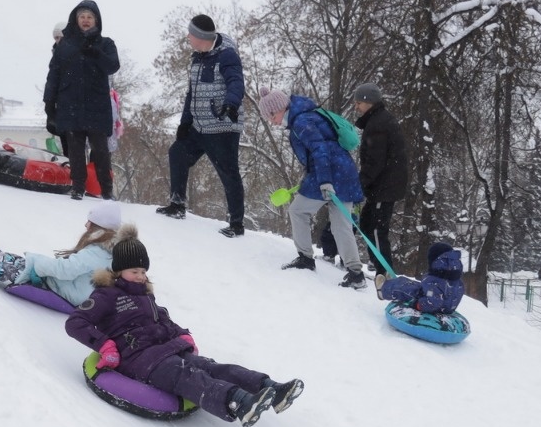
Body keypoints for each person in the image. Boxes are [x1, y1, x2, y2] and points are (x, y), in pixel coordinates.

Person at [64, 230, 304, 427]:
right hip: (139, 360)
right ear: (118, 271)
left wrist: (182, 335)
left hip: (166, 350)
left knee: (212, 367)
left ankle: (271, 388)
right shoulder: (106, 295)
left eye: (143, 271)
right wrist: (105, 345)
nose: (140, 276)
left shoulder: (146, 295)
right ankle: (238, 402)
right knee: (187, 376)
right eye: (134, 271)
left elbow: (163, 318)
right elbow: (75, 323)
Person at [258, 88, 367, 289]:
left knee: (298, 211)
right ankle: (356, 274)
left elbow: (320, 150)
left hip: (330, 174)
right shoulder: (305, 115)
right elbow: (320, 151)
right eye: (268, 117)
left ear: (281, 108)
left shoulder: (301, 121)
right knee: (341, 224)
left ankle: (306, 259)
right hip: (343, 172)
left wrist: (324, 181)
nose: (272, 121)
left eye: (272, 115)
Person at [157, 14, 247, 238]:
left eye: (190, 34)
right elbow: (192, 93)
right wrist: (185, 123)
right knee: (177, 152)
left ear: (200, 37)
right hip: (199, 125)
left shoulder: (226, 55)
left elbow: (236, 81)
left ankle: (236, 223)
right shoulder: (197, 58)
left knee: (229, 173)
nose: (187, 37)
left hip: (222, 126)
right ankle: (177, 204)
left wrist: (231, 103)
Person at [0, 201, 122, 306]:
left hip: (62, 290)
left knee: (4, 266)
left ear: (99, 225)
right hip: (66, 286)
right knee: (10, 259)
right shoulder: (106, 249)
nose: (85, 225)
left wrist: (37, 262)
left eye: (89, 221)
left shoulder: (97, 252)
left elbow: (66, 270)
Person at [44, 0, 120, 201]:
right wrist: (49, 103)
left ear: (96, 20)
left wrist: (97, 53)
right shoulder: (65, 45)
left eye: (90, 17)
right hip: (71, 105)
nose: (85, 20)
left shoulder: (106, 43)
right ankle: (78, 186)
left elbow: (113, 66)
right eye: (82, 17)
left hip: (97, 106)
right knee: (75, 149)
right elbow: (54, 74)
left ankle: (106, 189)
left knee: (100, 150)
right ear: (75, 20)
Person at [353, 83, 408, 275]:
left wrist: (359, 184)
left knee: (376, 229)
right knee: (367, 224)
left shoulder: (378, 124)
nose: (356, 107)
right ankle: (378, 264)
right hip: (382, 186)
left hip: (384, 187)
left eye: (359, 103)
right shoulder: (377, 121)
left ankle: (384, 272)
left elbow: (374, 162)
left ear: (369, 102)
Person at [377, 242, 464, 314]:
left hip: (431, 308)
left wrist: (417, 305)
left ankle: (382, 289)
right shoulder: (456, 280)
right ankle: (391, 282)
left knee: (405, 287)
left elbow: (432, 302)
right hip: (445, 307)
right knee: (414, 284)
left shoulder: (434, 282)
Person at [46, 21, 71, 159]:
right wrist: (49, 102)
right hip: (60, 104)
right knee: (65, 140)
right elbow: (51, 80)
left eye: (60, 36)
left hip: (70, 104)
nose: (58, 40)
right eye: (56, 38)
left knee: (74, 143)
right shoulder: (55, 55)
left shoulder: (71, 53)